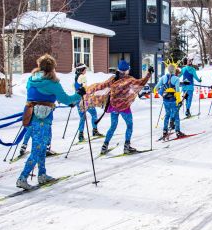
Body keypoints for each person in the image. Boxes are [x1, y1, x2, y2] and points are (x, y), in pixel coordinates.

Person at [16, 54, 84, 190]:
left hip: (30, 116)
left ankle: (42, 174)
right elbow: (66, 99)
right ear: (53, 68)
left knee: (40, 148)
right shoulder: (52, 82)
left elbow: (40, 95)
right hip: (43, 119)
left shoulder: (32, 79)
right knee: (38, 149)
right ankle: (22, 178)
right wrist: (79, 94)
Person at [85, 60, 153, 155]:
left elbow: (101, 86)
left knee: (113, 126)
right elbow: (141, 83)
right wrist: (149, 73)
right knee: (129, 125)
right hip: (124, 107)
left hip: (113, 107)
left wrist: (88, 90)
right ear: (126, 70)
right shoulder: (129, 80)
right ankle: (127, 147)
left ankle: (104, 146)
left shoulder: (113, 78)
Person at [74, 63, 103, 142]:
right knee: (93, 113)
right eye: (85, 69)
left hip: (77, 99)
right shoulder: (82, 77)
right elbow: (85, 88)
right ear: (82, 70)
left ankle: (80, 135)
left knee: (82, 117)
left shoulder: (75, 77)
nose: (86, 70)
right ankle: (95, 130)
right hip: (84, 100)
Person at [155, 64, 185, 139]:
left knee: (167, 115)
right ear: (174, 70)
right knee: (176, 116)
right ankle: (178, 131)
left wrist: (160, 92)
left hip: (166, 100)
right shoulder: (176, 79)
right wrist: (179, 101)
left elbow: (156, 88)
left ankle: (165, 131)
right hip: (174, 100)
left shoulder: (163, 78)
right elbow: (177, 91)